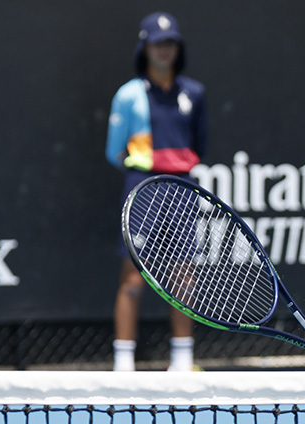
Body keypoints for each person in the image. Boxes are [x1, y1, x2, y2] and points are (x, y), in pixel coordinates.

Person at [105, 11, 207, 371]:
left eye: (170, 43)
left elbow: (199, 145)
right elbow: (114, 151)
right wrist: (145, 170)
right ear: (145, 48)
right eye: (157, 43)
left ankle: (182, 361)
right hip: (142, 189)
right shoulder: (129, 96)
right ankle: (123, 363)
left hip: (182, 189)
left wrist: (174, 166)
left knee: (182, 274)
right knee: (133, 277)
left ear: (177, 48)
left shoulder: (194, 93)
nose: (164, 49)